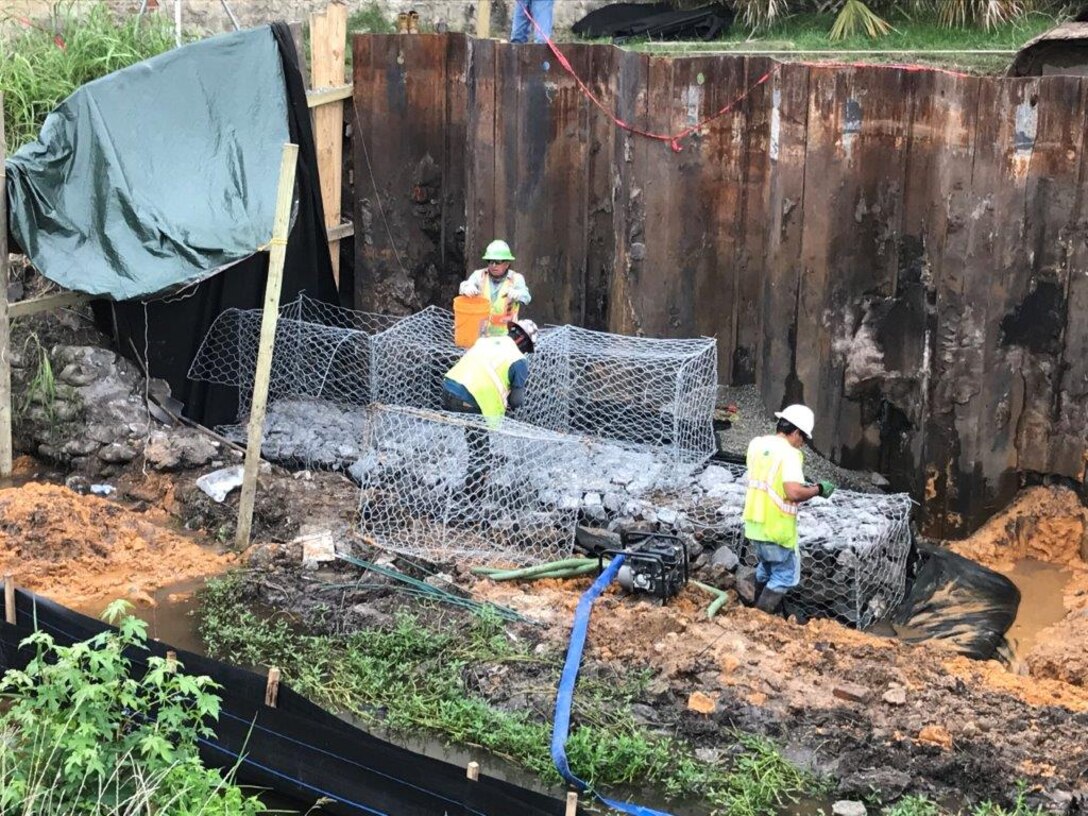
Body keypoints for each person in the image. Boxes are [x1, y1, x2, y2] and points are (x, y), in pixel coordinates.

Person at [741, 404, 836, 615]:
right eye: (803, 438)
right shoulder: (790, 454)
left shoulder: (757, 445)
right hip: (777, 529)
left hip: (755, 525)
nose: (802, 444)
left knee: (766, 568)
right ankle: (759, 616)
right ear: (795, 432)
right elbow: (792, 492)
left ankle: (750, 613)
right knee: (784, 575)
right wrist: (817, 489)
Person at [442, 319, 540, 497]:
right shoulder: (519, 361)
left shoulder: (486, 341)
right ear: (524, 343)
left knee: (472, 435)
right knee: (481, 453)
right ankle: (471, 499)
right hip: (469, 401)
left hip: (447, 390)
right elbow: (517, 401)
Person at [459, 240, 531, 338]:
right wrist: (467, 288)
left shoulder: (516, 279)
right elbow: (464, 285)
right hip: (480, 335)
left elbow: (526, 297)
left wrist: (518, 294)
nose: (493, 265)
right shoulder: (479, 275)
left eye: (497, 262)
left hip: (506, 336)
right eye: (490, 261)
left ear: (507, 263)